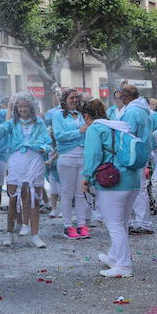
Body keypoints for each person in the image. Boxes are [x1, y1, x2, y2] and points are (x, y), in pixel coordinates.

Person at [80, 99, 140, 278]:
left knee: (114, 224)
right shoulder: (118, 125)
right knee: (122, 223)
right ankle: (115, 256)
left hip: (113, 182)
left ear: (86, 116)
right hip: (132, 180)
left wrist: (87, 178)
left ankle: (124, 265)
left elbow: (93, 155)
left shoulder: (95, 128)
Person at [0, 93, 50, 249]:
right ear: (15, 108)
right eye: (20, 106)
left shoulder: (39, 123)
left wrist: (42, 148)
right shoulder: (11, 123)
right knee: (13, 198)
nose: (23, 109)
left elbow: (48, 143)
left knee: (34, 198)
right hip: (16, 160)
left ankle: (34, 234)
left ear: (31, 107)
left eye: (26, 106)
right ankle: (9, 232)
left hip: (34, 161)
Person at [52, 88, 90, 240]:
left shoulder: (83, 114)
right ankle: (68, 225)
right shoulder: (58, 115)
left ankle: (81, 224)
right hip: (67, 156)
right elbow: (59, 136)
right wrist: (79, 131)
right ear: (65, 100)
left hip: (84, 156)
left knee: (81, 192)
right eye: (71, 98)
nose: (74, 100)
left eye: (76, 97)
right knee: (67, 193)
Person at [119, 85, 155, 235]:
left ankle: (142, 222)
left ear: (125, 97)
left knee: (137, 188)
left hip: (134, 154)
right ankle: (140, 220)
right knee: (139, 187)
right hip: (142, 152)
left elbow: (127, 134)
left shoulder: (132, 111)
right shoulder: (142, 109)